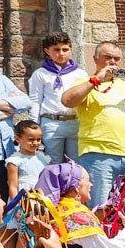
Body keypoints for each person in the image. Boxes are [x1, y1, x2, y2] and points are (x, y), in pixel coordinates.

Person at [59, 42, 125, 207]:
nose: (112, 62)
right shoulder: (85, 82)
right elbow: (67, 100)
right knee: (98, 207)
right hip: (98, 155)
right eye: (107, 58)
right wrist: (96, 80)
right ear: (95, 59)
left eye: (116, 59)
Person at [27, 30, 86, 164]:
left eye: (65, 49)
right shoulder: (40, 74)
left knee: (75, 164)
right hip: (51, 122)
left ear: (70, 49)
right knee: (53, 163)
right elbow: (35, 101)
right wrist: (34, 127)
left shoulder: (80, 74)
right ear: (47, 51)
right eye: (56, 50)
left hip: (75, 122)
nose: (61, 53)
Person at [0, 65, 34, 201]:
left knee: (4, 197)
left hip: (5, 150)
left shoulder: (2, 80)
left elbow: (26, 102)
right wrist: (11, 108)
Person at [6, 121, 49, 197]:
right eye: (31, 139)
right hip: (24, 199)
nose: (35, 143)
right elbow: (13, 186)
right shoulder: (14, 161)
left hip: (42, 197)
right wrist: (16, 206)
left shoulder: (43, 157)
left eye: (38, 139)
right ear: (17, 138)